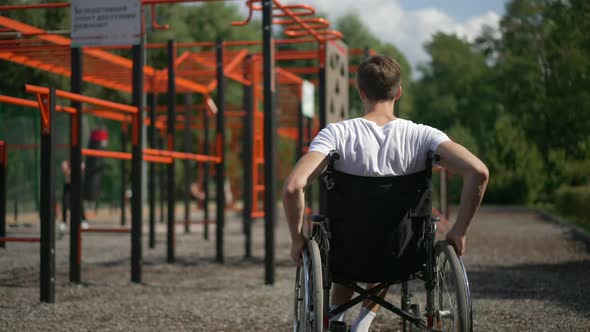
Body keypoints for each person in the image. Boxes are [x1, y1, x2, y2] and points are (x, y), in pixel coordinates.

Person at [283, 55, 489, 332]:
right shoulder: (423, 136)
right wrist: (459, 231)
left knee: (348, 239)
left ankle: (335, 318)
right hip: (403, 254)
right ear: (399, 92)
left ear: (360, 91)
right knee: (385, 245)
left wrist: (297, 239)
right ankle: (362, 325)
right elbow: (479, 172)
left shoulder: (336, 134)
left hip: (346, 252)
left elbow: (294, 186)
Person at [60, 160, 88, 232]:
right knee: (65, 204)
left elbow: (82, 169)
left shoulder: (79, 161)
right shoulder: (66, 163)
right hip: (68, 186)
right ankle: (63, 222)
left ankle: (84, 221)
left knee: (79, 203)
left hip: (77, 185)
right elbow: (65, 170)